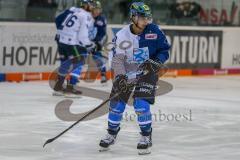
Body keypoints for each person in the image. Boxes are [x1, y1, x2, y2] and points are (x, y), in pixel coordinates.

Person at [99, 2, 171, 155]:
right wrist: (121, 76)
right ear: (133, 17)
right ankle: (111, 133)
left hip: (147, 72)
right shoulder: (122, 35)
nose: (146, 21)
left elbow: (164, 50)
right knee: (116, 105)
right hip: (126, 72)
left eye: (147, 17)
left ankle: (146, 136)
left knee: (141, 104)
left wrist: (156, 61)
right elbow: (116, 59)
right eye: (142, 18)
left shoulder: (155, 31)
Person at [53, 0, 96, 97]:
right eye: (91, 5)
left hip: (60, 39)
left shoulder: (73, 10)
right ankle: (70, 88)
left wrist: (63, 31)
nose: (93, 7)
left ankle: (58, 87)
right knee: (79, 61)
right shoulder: (86, 16)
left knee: (65, 62)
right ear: (86, 5)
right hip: (70, 42)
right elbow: (82, 36)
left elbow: (58, 20)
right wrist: (89, 45)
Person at [91, 0, 108, 83]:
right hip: (84, 41)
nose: (97, 10)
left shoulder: (101, 19)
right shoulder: (86, 16)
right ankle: (71, 78)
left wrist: (98, 42)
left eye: (98, 9)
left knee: (97, 57)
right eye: (95, 9)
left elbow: (102, 33)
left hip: (96, 41)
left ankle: (103, 74)